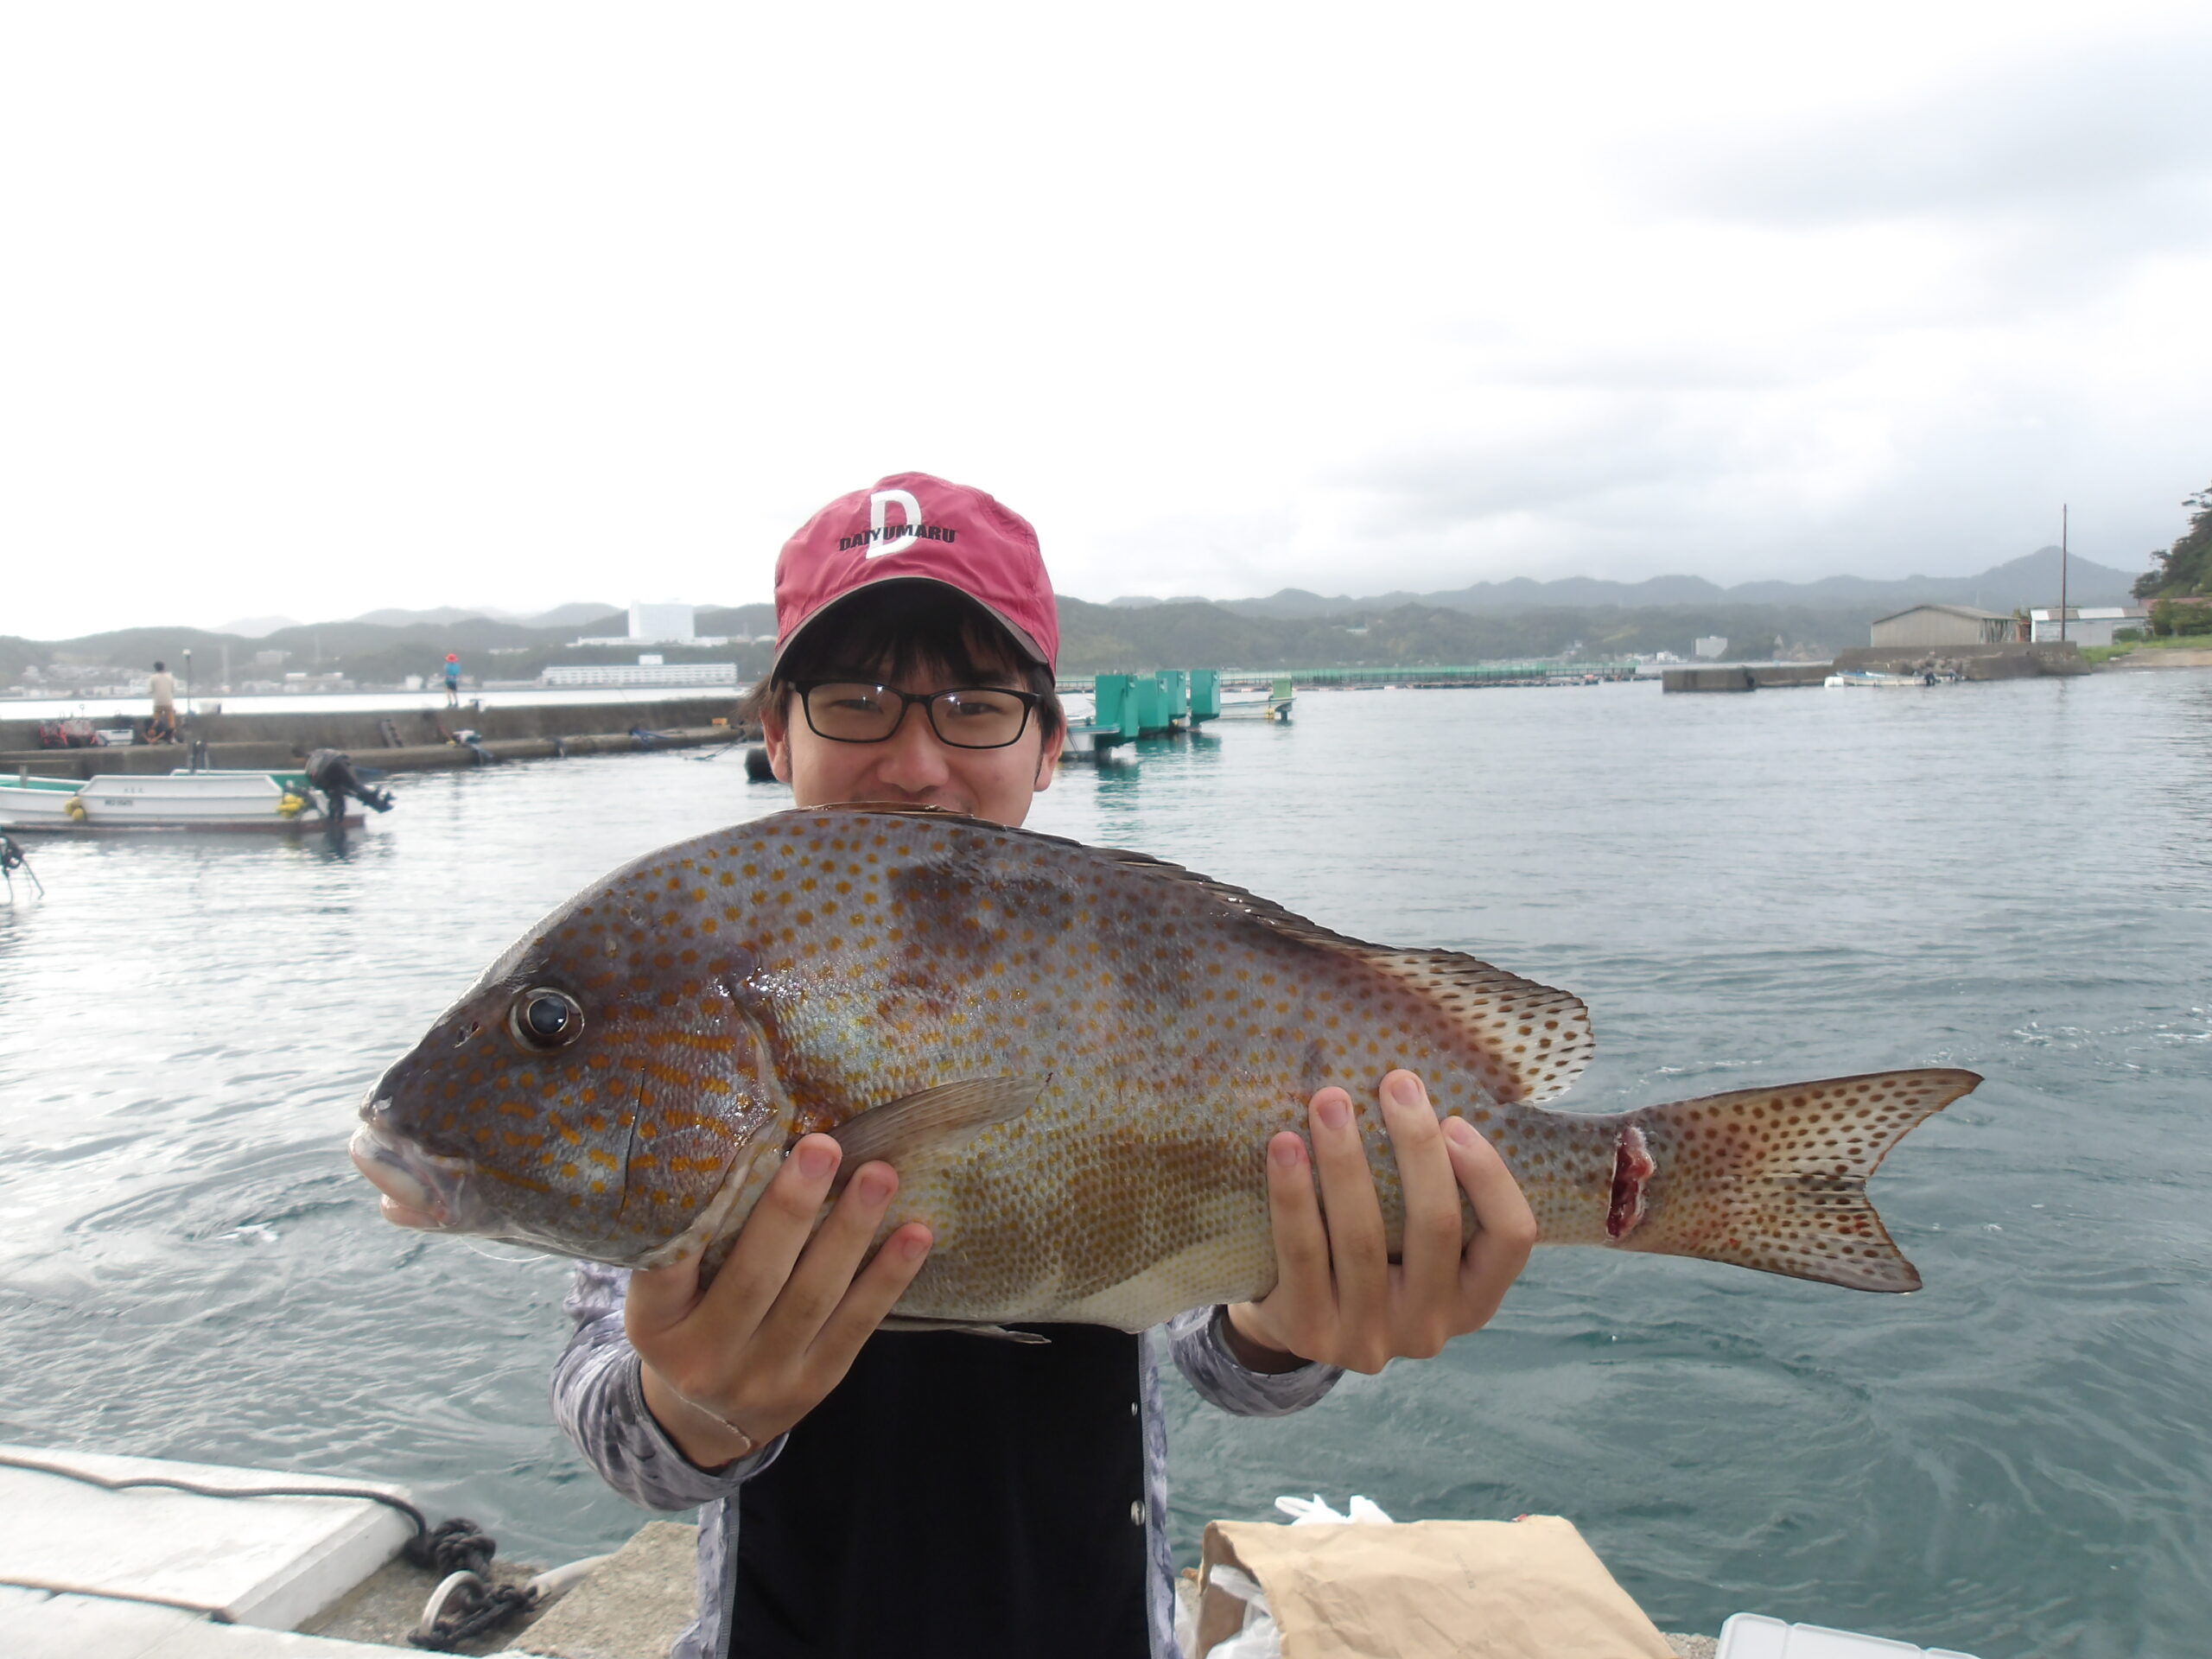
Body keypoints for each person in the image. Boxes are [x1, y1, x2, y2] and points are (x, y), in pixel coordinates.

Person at [550, 474, 1536, 1659]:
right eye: (856, 703)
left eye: (973, 705)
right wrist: (693, 1404)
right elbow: (618, 1425)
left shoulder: (1124, 969)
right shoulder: (697, 989)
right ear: (776, 734)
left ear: (1050, 744)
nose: (917, 764)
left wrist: (1298, 1325)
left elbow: (1223, 1361)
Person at [147, 661, 179, 743]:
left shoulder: (152, 678)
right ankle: (171, 738)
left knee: (154, 722)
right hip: (168, 702)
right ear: (164, 667)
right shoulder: (170, 677)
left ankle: (152, 739)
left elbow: (150, 691)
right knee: (171, 723)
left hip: (157, 703)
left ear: (155, 668)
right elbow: (173, 690)